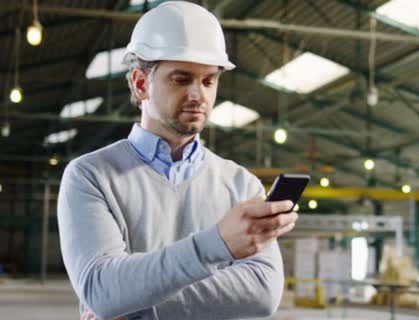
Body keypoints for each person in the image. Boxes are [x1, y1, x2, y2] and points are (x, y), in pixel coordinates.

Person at [57, 2, 298, 319]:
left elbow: (263, 292)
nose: (199, 95)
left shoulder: (241, 184)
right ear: (141, 83)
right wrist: (218, 244)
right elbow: (102, 288)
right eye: (182, 79)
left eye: (209, 81)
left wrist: (132, 302)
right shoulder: (92, 176)